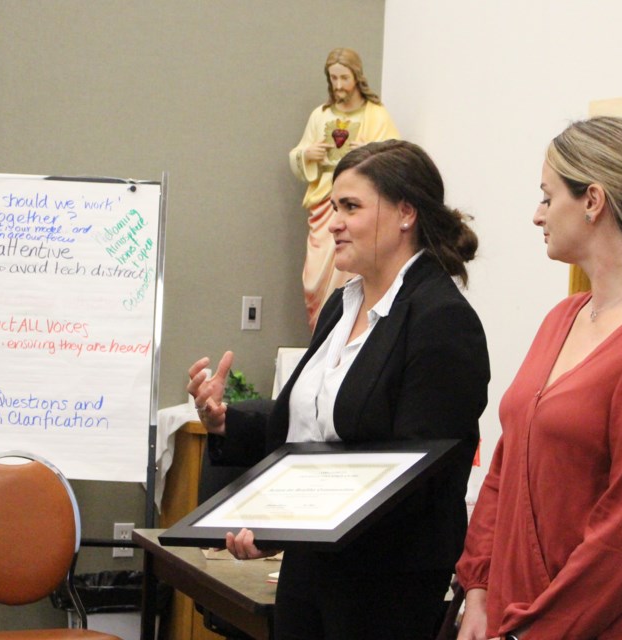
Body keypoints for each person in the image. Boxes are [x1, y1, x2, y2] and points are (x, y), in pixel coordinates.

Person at [190, 139, 490, 640]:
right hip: (312, 570)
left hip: (383, 586)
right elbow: (319, 425)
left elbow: (415, 476)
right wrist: (227, 420)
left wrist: (283, 525)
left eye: (350, 207)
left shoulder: (442, 319)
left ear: (405, 214)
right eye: (334, 207)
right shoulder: (340, 306)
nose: (333, 223)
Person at [455, 116, 622, 640]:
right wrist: (479, 589)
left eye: (548, 197)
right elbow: (507, 463)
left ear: (593, 201)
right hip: (511, 618)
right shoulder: (564, 316)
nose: (537, 215)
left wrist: (530, 632)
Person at [288, 47, 401, 330]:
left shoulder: (375, 115)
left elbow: (397, 156)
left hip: (359, 203)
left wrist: (371, 154)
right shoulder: (321, 115)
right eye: (333, 78)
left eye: (344, 78)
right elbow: (298, 153)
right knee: (314, 279)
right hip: (324, 199)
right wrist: (307, 155)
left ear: (357, 77)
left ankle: (350, 331)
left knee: (351, 272)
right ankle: (320, 333)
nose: (338, 85)